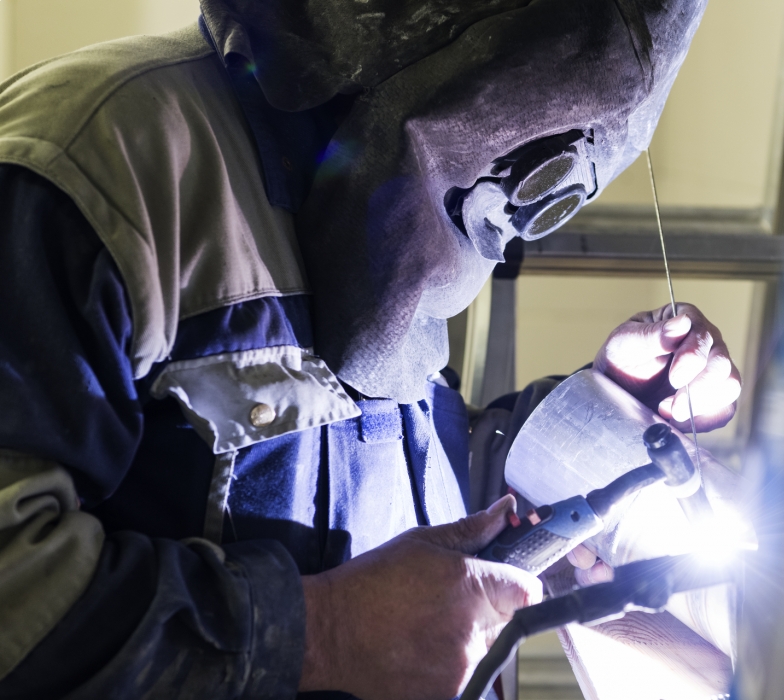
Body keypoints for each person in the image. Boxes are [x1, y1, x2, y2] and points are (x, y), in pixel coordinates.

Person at [0, 1, 744, 698]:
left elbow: (398, 480)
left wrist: (594, 423)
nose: (521, 200)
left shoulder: (389, 204)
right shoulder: (99, 166)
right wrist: (323, 631)